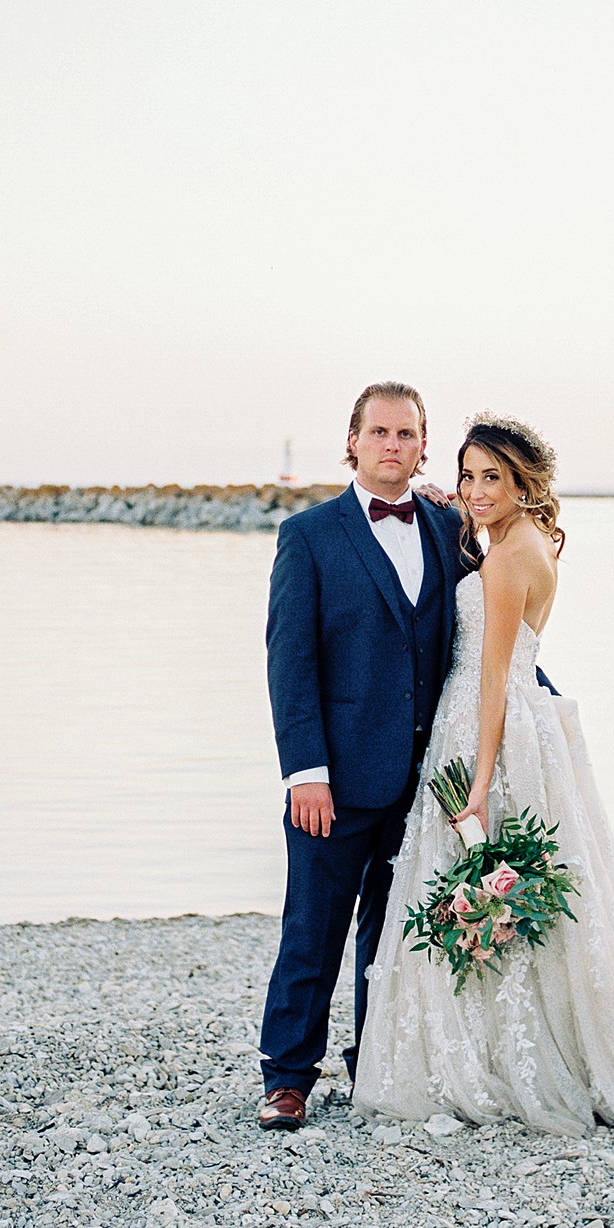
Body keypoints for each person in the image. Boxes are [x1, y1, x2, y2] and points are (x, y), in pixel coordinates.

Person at [354, 413, 614, 1134]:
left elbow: (492, 679)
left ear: (526, 484)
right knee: (504, 894)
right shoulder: (527, 539)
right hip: (518, 723)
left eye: (495, 478)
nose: (478, 490)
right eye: (470, 475)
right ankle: (507, 1042)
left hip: (489, 727)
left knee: (475, 875)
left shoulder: (510, 559)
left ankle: (492, 1062)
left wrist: (479, 783)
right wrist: (461, 504)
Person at [255, 381, 464, 1131]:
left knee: (399, 933)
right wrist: (305, 772)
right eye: (379, 433)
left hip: (425, 779)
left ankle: (375, 1061)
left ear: (423, 445)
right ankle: (287, 1078)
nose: (392, 447)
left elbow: (480, 634)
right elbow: (290, 662)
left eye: (406, 435)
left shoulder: (445, 526)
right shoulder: (308, 535)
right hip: (335, 781)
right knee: (314, 927)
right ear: (352, 440)